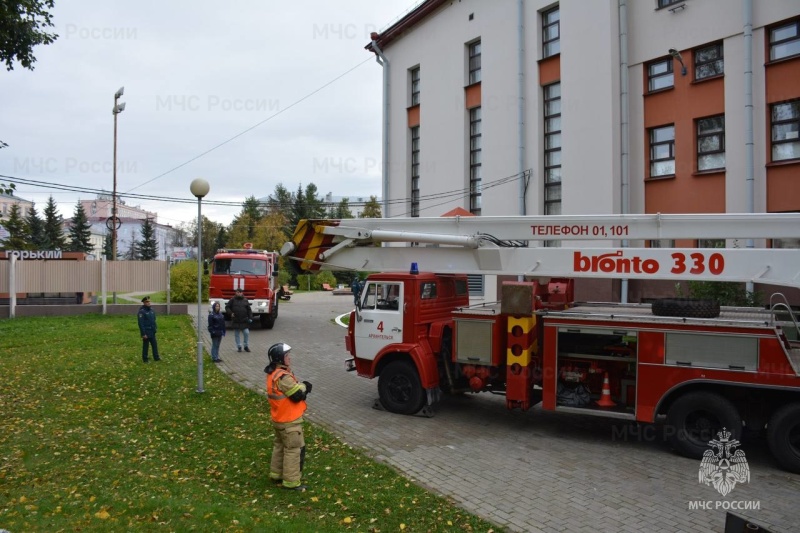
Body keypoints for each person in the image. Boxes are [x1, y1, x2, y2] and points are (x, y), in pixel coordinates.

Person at [265, 342, 312, 491]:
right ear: (280, 358)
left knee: (279, 447)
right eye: (287, 356)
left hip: (279, 419)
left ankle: (276, 474)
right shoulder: (283, 377)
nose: (289, 358)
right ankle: (291, 482)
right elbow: (298, 395)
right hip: (290, 421)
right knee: (293, 450)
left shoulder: (273, 373)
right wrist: (305, 386)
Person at [226, 288, 252, 352]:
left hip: (244, 320)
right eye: (238, 292)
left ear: (242, 293)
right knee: (236, 334)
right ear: (236, 293)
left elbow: (249, 310)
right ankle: (239, 346)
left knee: (246, 333)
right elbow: (227, 307)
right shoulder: (232, 300)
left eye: (240, 292)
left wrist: (250, 317)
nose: (239, 293)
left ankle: (246, 346)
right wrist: (230, 313)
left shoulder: (245, 300)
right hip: (236, 320)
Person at [137, 296, 160, 363]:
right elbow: (141, 324)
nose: (148, 303)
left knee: (154, 345)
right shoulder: (142, 312)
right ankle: (145, 359)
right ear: (144, 303)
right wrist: (143, 334)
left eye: (149, 301)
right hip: (146, 332)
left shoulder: (152, 310)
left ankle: (156, 357)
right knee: (146, 346)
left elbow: (154, 320)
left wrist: (155, 328)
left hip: (152, 331)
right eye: (147, 302)